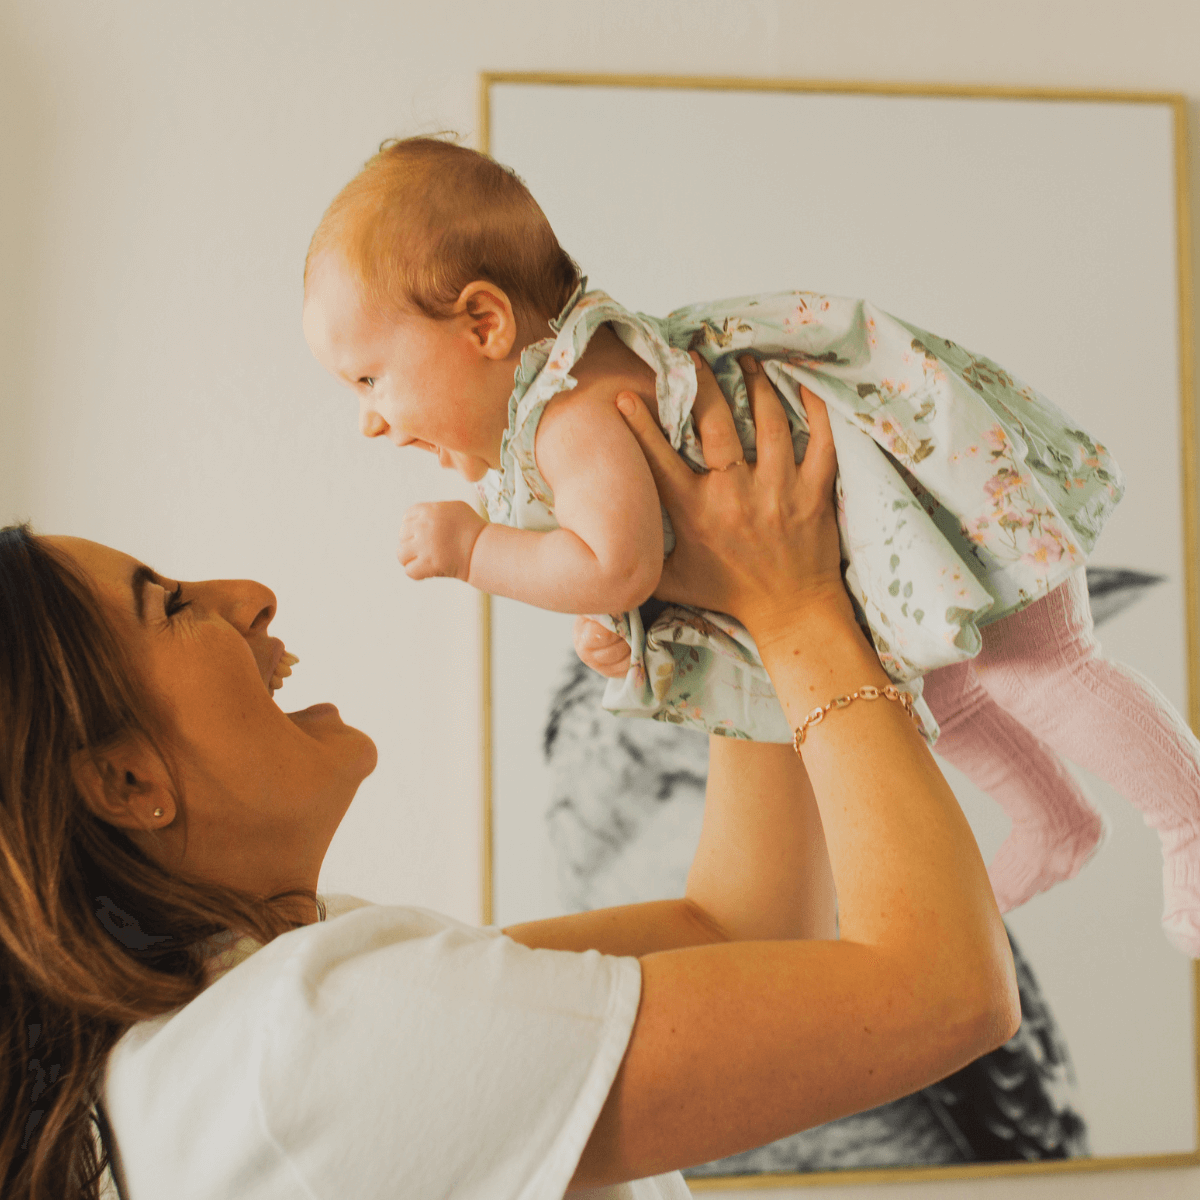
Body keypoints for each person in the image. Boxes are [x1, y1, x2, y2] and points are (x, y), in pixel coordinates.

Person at [0, 365, 1018, 1199]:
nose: (249, 598)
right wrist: (799, 612)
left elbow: (735, 924)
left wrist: (728, 612)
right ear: (127, 782)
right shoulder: (310, 1045)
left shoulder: (252, 1016)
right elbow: (945, 996)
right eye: (172, 606)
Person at [301, 135, 1200, 953]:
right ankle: (1056, 819)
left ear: (485, 323)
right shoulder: (574, 393)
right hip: (894, 537)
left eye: (371, 378)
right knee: (953, 687)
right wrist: (621, 628)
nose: (369, 423)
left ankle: (1188, 821)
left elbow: (618, 561)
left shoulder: (570, 416)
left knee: (1047, 664)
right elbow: (642, 567)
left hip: (933, 500)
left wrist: (475, 551)